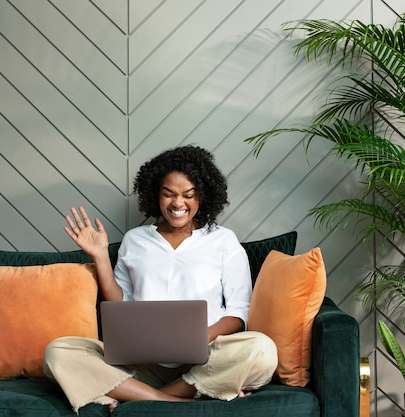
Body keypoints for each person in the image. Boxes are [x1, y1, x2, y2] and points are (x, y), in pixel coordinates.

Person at [43, 145, 278, 414]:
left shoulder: (223, 241)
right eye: (169, 194)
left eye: (189, 195)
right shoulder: (135, 239)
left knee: (262, 351)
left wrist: (204, 336)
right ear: (156, 195)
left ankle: (139, 396)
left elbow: (239, 311)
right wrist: (100, 257)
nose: (178, 204)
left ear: (203, 196)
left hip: (205, 360)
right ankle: (180, 402)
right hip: (141, 362)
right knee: (58, 352)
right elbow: (121, 304)